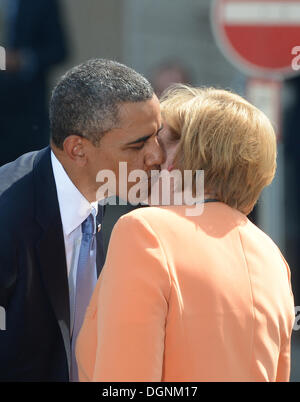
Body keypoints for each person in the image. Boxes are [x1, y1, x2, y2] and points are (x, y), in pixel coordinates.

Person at [76, 85, 295, 382]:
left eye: (158, 144)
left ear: (184, 158)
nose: (147, 159)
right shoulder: (272, 257)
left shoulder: (145, 231)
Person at [0, 59, 164, 381]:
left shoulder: (95, 192)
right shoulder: (7, 214)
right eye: (138, 144)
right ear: (77, 149)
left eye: (157, 136)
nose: (157, 155)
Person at [0, 0, 68, 166]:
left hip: (26, 113)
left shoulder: (41, 3)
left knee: (25, 174)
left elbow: (59, 50)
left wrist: (22, 60)